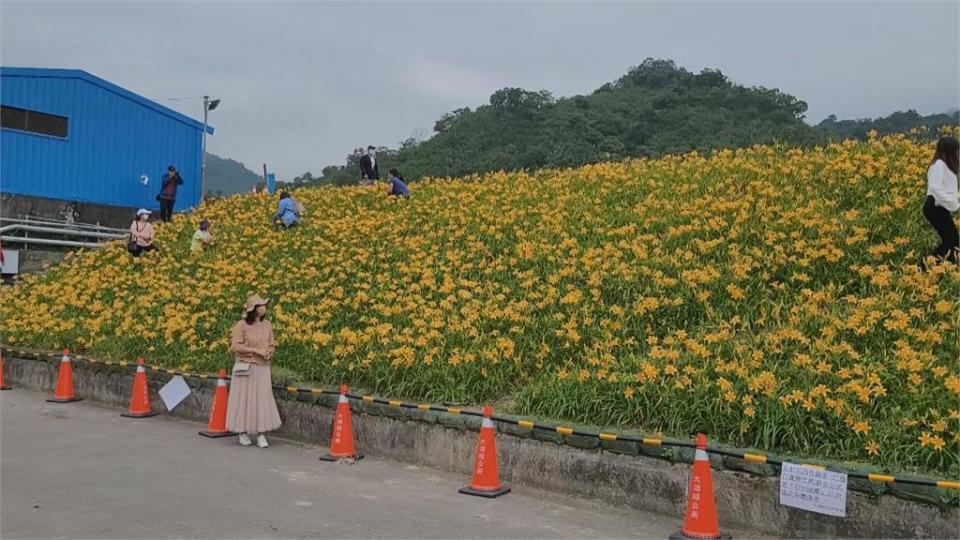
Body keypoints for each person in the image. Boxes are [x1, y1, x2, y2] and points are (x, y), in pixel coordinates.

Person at [226, 294, 282, 448]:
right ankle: (242, 432)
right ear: (253, 309)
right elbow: (235, 346)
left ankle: (261, 433)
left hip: (262, 367)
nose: (264, 308)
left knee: (262, 399)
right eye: (260, 305)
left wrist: (269, 352)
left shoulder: (267, 325)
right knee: (244, 399)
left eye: (264, 305)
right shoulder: (241, 325)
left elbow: (271, 344)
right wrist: (256, 351)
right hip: (246, 367)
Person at [922, 135, 959, 267]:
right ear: (948, 151)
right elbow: (935, 188)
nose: (957, 154)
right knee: (952, 241)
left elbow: (945, 189)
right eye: (955, 150)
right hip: (934, 207)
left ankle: (941, 266)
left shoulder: (941, 164)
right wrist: (954, 203)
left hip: (937, 207)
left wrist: (956, 198)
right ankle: (924, 266)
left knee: (952, 241)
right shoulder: (939, 165)